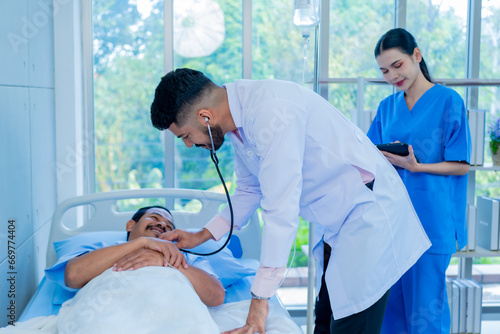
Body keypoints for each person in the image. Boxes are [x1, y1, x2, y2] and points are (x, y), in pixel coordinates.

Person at [150, 68, 431, 334]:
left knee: (349, 326)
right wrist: (202, 235)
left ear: (205, 117)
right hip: (341, 222)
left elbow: (280, 208)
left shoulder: (271, 112)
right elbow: (249, 189)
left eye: (185, 136)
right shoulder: (238, 122)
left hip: (369, 217)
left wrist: (260, 302)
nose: (188, 144)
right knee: (326, 321)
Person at [367, 28, 471, 334]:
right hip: (393, 221)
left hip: (432, 219)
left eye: (397, 65)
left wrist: (416, 166)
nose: (392, 76)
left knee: (427, 313)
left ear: (416, 55)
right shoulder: (387, 108)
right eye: (384, 70)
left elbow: (461, 166)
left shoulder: (448, 101)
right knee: (392, 313)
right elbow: (369, 156)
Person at [45, 205, 225, 307]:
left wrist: (166, 262)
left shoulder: (187, 258)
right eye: (154, 218)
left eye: (169, 226)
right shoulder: (102, 249)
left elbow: (216, 296)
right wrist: (141, 244)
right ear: (131, 225)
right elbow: (73, 275)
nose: (162, 224)